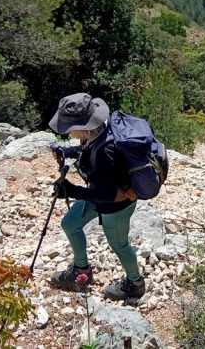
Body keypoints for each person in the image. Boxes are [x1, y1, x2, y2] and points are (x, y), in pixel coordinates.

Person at [46, 92, 145, 302]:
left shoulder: (106, 153)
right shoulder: (99, 131)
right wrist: (68, 151)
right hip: (98, 194)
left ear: (82, 127)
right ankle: (81, 269)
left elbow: (108, 195)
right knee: (70, 224)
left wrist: (71, 191)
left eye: (68, 128)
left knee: (119, 245)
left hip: (117, 204)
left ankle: (135, 283)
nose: (67, 131)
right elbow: (88, 150)